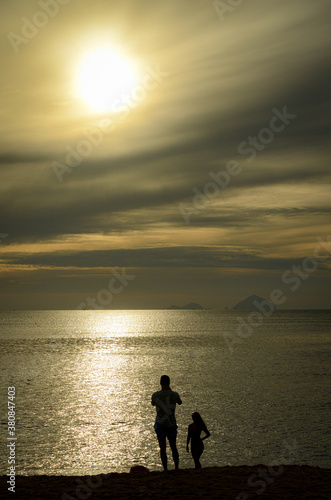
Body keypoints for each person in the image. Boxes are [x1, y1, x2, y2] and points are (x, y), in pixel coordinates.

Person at [151, 375, 182, 471]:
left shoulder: (155, 395)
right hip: (171, 423)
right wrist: (171, 391)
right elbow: (180, 402)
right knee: (173, 446)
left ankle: (165, 468)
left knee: (162, 448)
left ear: (160, 383)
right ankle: (176, 467)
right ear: (169, 383)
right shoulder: (174, 394)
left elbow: (153, 404)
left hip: (160, 423)